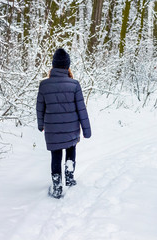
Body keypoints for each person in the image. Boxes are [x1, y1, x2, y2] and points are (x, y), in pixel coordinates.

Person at [36, 48, 91, 199]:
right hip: (71, 128)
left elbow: (40, 107)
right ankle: (69, 177)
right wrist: (86, 130)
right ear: (67, 66)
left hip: (52, 129)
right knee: (70, 149)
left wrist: (40, 125)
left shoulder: (44, 85)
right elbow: (81, 108)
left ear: (53, 66)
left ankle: (57, 185)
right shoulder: (74, 84)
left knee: (56, 154)